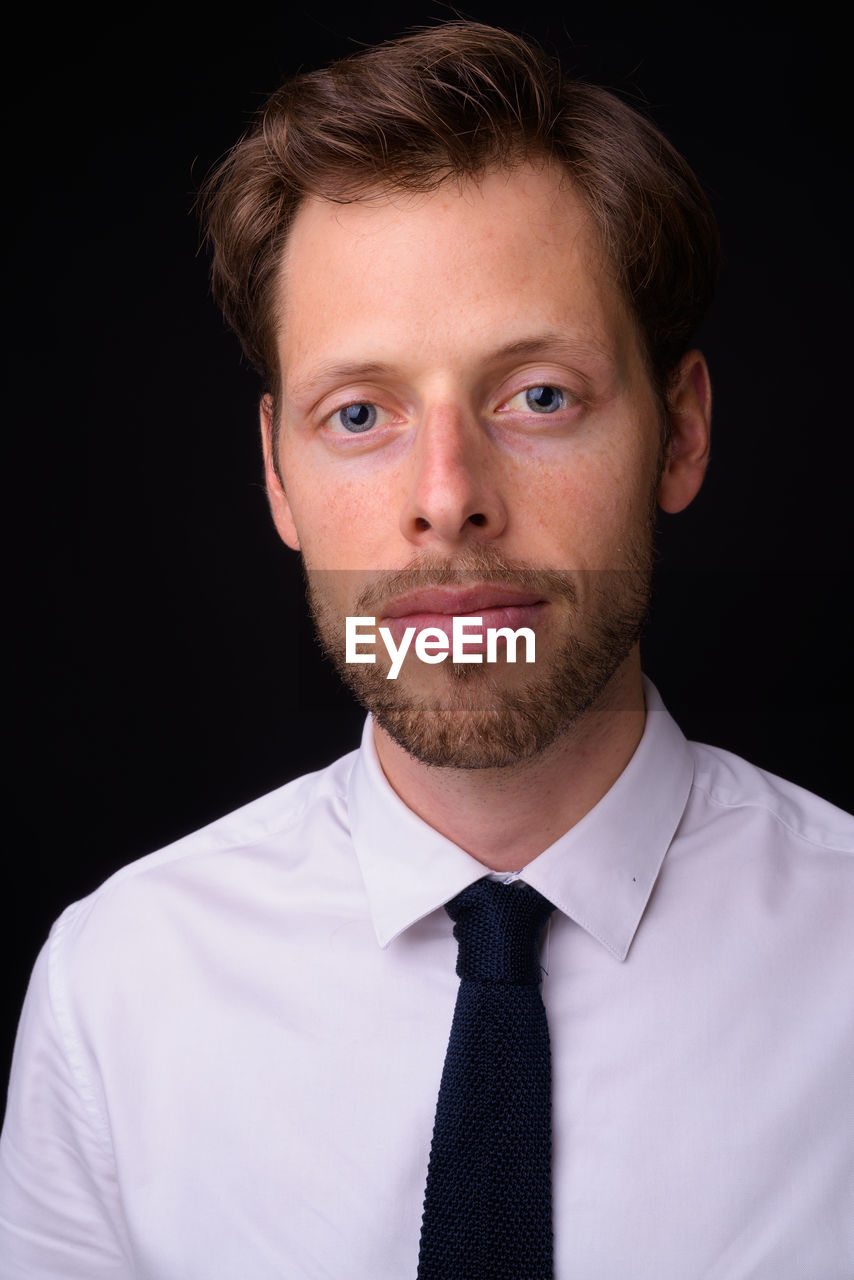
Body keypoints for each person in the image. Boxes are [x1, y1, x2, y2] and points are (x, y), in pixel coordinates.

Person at [1, 20, 852, 1279]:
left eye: (538, 395)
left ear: (677, 434)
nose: (445, 496)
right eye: (359, 414)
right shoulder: (114, 994)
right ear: (278, 477)